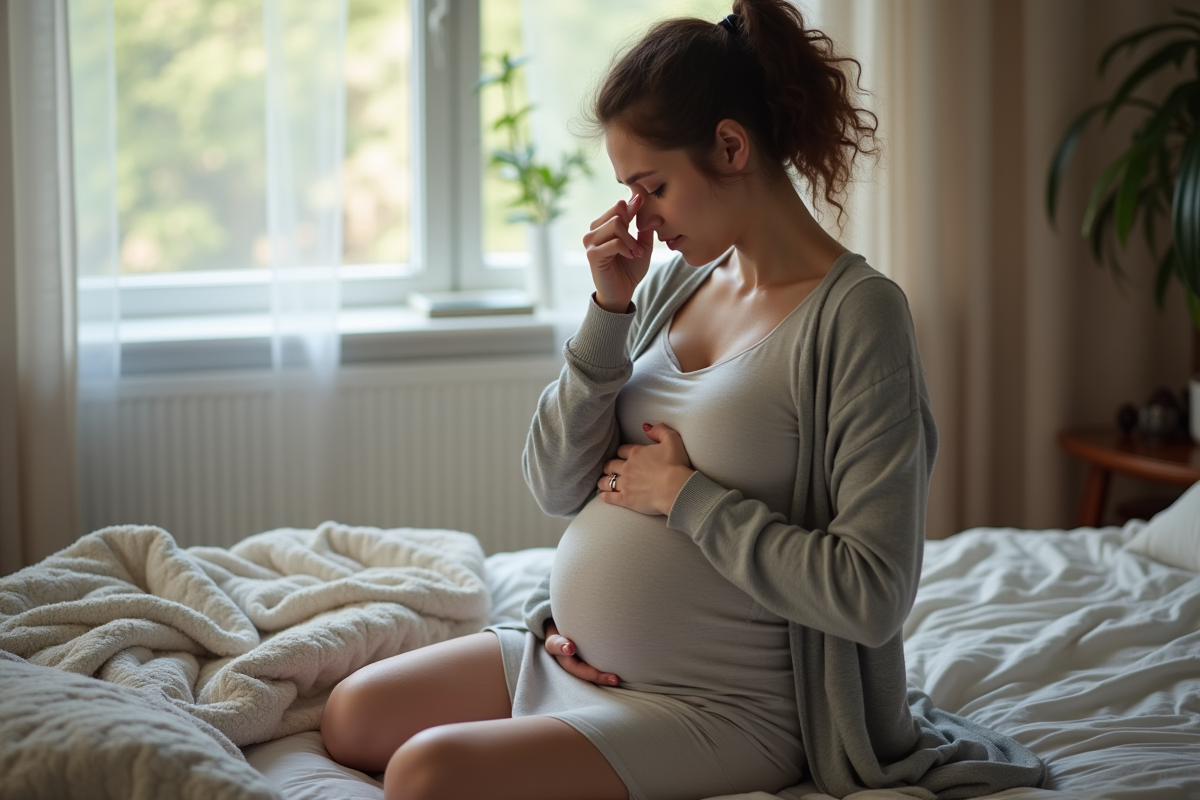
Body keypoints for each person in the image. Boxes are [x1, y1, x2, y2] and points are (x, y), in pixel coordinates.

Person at [320, 2, 1047, 799]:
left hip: (721, 708)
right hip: (577, 658)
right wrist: (608, 311)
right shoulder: (677, 280)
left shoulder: (858, 316)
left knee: (426, 776)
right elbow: (558, 485)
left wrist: (686, 496)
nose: (640, 218)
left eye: (651, 186)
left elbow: (871, 593)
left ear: (730, 147)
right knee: (351, 716)